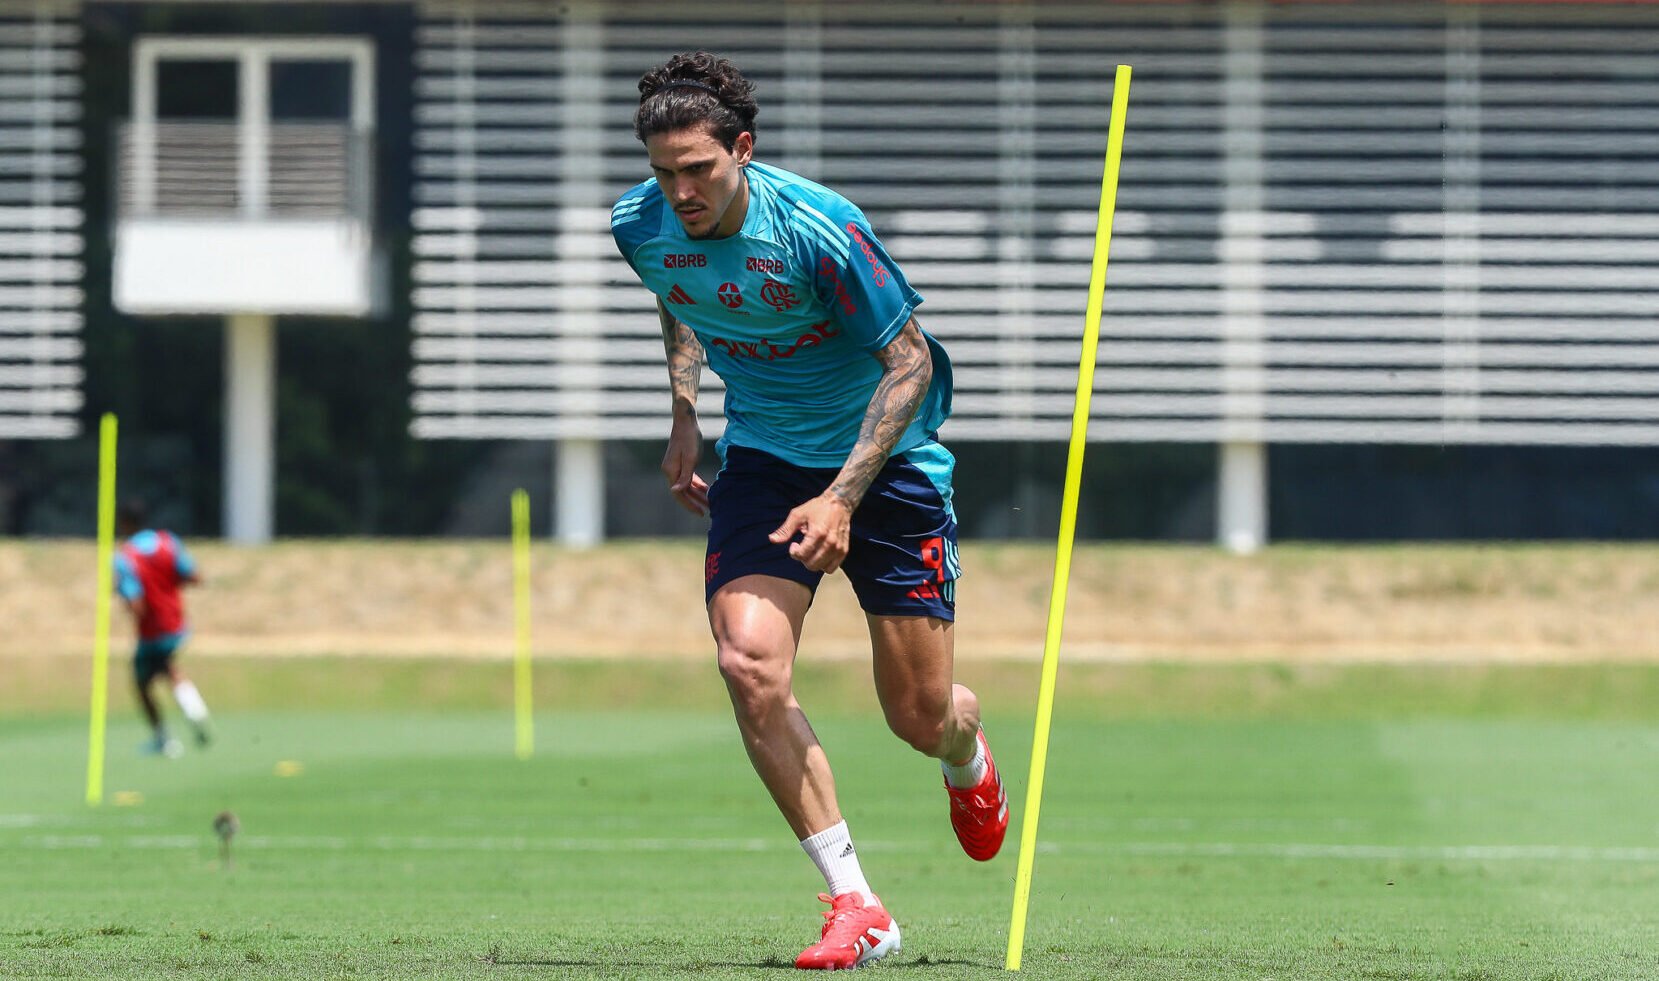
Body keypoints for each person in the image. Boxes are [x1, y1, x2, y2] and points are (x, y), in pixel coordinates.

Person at [611, 51, 1008, 971]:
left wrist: (840, 495)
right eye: (663, 173)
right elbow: (681, 296)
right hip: (762, 459)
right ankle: (856, 902)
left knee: (917, 715)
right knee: (747, 663)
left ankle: (964, 749)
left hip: (889, 465)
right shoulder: (639, 224)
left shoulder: (819, 230)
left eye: (698, 170)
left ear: (742, 149)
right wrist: (684, 413)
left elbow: (910, 362)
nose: (680, 192)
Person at [113, 499, 212, 756]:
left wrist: (122, 598)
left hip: (151, 631)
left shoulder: (126, 557)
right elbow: (193, 576)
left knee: (142, 684)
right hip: (177, 624)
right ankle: (193, 708)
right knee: (168, 668)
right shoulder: (168, 542)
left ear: (124, 523)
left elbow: (136, 604)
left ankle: (163, 738)